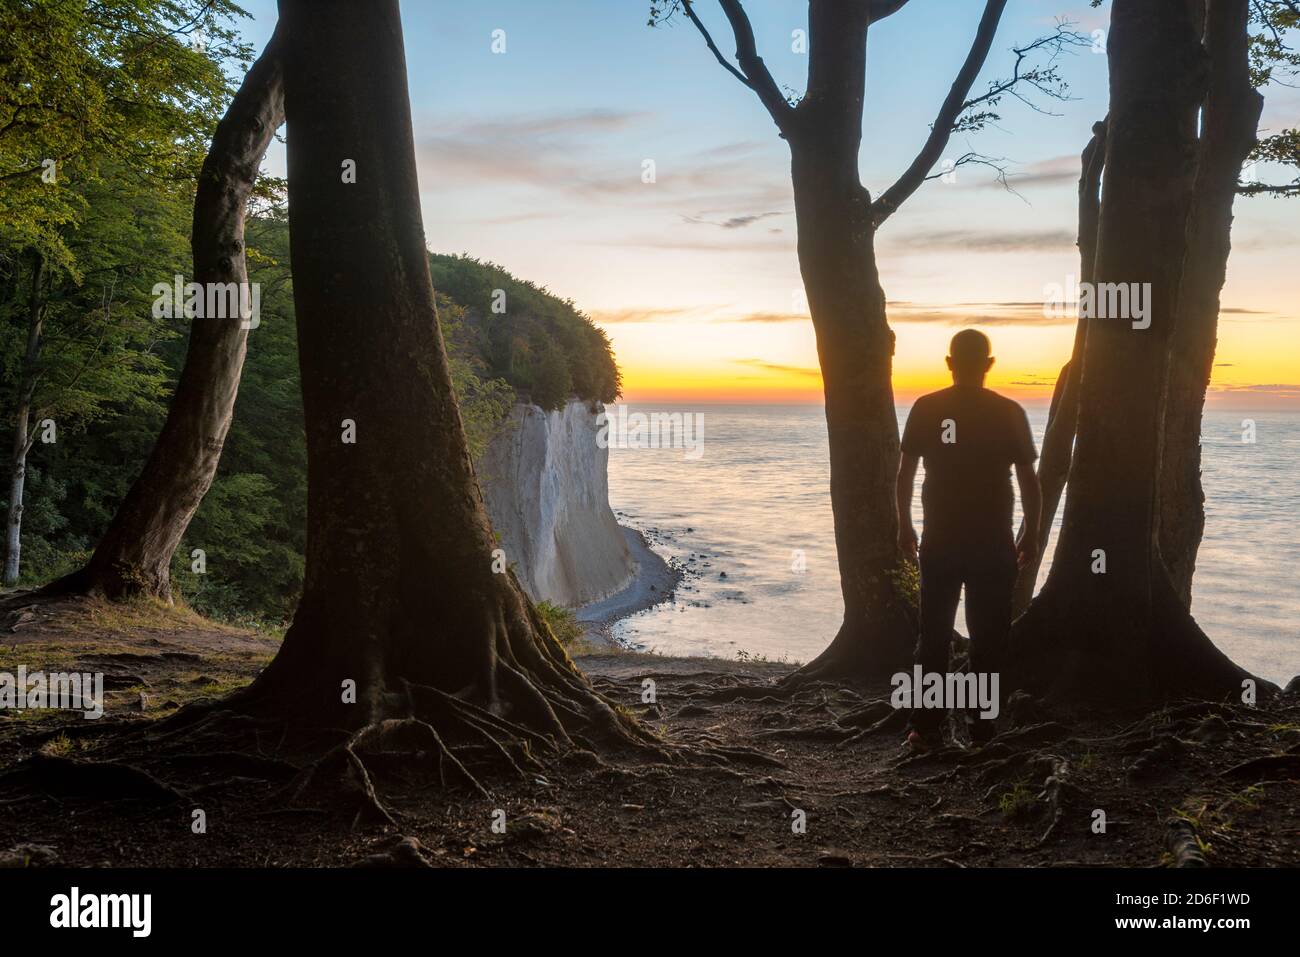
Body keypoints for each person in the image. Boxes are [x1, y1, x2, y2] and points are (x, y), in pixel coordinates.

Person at [896, 329, 1040, 752]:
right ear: (989, 364)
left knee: (934, 636)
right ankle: (981, 730)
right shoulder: (1008, 411)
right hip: (992, 542)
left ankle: (925, 729)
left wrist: (904, 526)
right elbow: (1029, 482)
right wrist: (1031, 530)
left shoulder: (927, 407)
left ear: (949, 362)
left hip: (941, 539)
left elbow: (904, 475)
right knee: (988, 640)